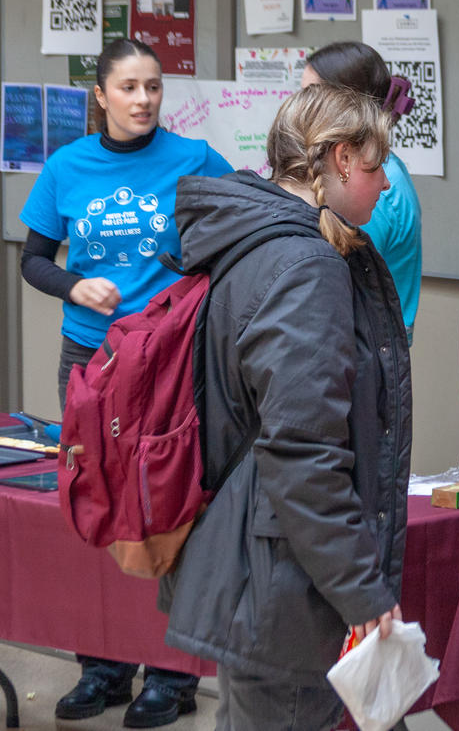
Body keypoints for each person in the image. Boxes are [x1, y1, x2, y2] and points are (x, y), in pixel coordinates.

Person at [158, 81, 412, 729]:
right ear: (339, 158)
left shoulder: (261, 242)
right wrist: (361, 589)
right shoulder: (304, 264)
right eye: (377, 163)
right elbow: (301, 447)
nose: (385, 183)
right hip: (283, 587)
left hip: (264, 567)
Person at [19, 37, 229, 728]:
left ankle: (168, 675)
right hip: (91, 364)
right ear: (102, 97)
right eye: (130, 88)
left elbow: (240, 226)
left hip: (168, 367)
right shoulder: (65, 166)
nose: (144, 101)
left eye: (154, 88)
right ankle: (101, 665)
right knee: (95, 506)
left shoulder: (194, 160)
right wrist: (77, 286)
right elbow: (34, 260)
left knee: (165, 508)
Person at [302, 40, 423, 342]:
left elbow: (334, 288)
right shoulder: (367, 167)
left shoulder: (372, 184)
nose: (299, 107)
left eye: (311, 95)